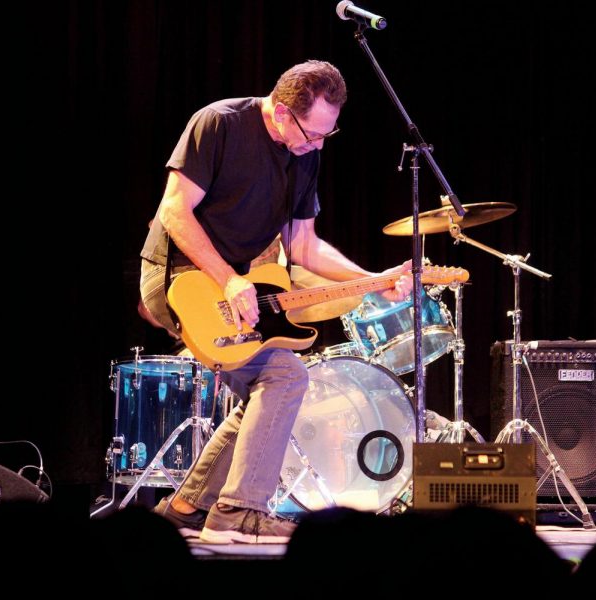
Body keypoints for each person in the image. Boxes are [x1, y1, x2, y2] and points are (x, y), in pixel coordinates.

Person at [139, 60, 411, 543]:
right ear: (282, 112)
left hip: (237, 286)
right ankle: (236, 512)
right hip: (179, 276)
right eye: (312, 133)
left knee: (275, 382)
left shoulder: (305, 152)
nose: (318, 145)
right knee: (285, 376)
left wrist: (373, 279)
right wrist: (226, 280)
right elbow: (174, 211)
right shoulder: (219, 123)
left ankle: (188, 505)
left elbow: (304, 246)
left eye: (329, 134)